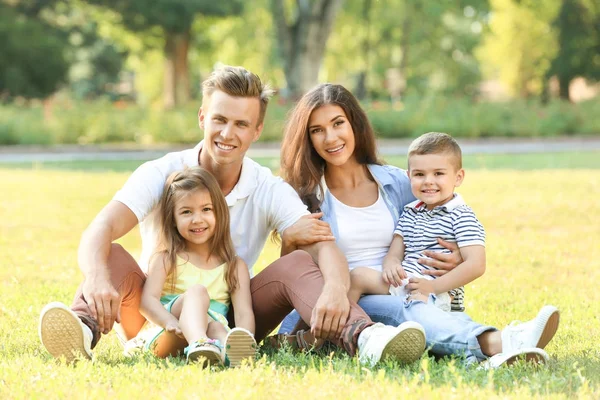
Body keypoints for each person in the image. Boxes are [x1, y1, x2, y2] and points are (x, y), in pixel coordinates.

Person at [38, 66, 427, 367]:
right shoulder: (161, 172)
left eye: (242, 123)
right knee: (108, 252)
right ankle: (83, 329)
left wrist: (334, 289)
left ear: (257, 130)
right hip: (156, 313)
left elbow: (323, 247)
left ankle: (365, 337)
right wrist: (95, 277)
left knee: (296, 262)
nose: (228, 132)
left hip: (231, 322)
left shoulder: (267, 186)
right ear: (202, 117)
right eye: (220, 119)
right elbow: (100, 228)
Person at [278, 83, 560, 368]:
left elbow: (446, 216)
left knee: (418, 304)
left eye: (338, 123)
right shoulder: (305, 197)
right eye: (317, 130)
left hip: (406, 284)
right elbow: (293, 273)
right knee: (408, 306)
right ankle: (499, 342)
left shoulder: (399, 182)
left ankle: (487, 359)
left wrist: (459, 255)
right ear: (308, 138)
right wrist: (290, 240)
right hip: (347, 298)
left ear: (355, 124)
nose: (331, 137)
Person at [348, 132, 486, 314]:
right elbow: (394, 253)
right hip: (405, 282)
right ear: (409, 176)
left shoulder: (461, 215)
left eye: (438, 174)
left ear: (458, 177)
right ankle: (340, 326)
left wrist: (432, 287)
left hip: (440, 292)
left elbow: (476, 264)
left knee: (417, 308)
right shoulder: (410, 211)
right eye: (420, 174)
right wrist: (391, 265)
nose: (429, 181)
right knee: (357, 276)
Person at [133, 166, 254, 367]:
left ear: (219, 212)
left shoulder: (234, 266)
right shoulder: (166, 259)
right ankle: (198, 342)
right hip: (168, 333)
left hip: (212, 333)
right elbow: (147, 302)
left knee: (216, 327)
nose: (197, 219)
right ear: (173, 220)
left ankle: (230, 352)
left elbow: (243, 313)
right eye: (186, 212)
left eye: (206, 209)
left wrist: (245, 337)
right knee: (197, 293)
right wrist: (169, 322)